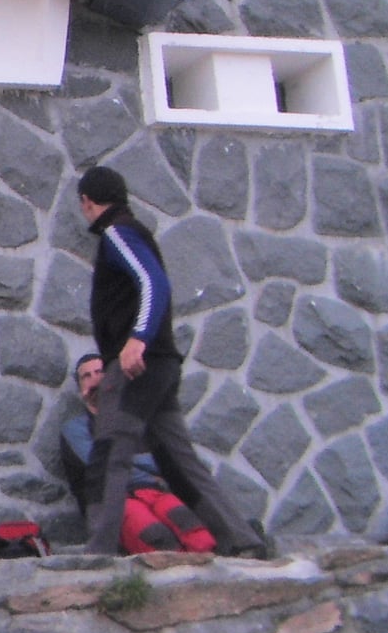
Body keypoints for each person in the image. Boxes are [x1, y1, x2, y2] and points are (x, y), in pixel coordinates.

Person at [76, 165, 270, 558]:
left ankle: (97, 555)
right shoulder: (131, 230)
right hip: (160, 366)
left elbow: (153, 283)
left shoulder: (117, 233)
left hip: (137, 364)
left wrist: (136, 340)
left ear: (87, 202)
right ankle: (243, 541)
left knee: (109, 452)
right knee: (177, 459)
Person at [61, 352, 214, 553]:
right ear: (81, 388)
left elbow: (169, 461)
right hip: (113, 499)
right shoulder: (76, 428)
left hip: (155, 490)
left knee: (199, 537)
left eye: (100, 372)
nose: (95, 379)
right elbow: (102, 464)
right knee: (159, 541)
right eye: (86, 376)